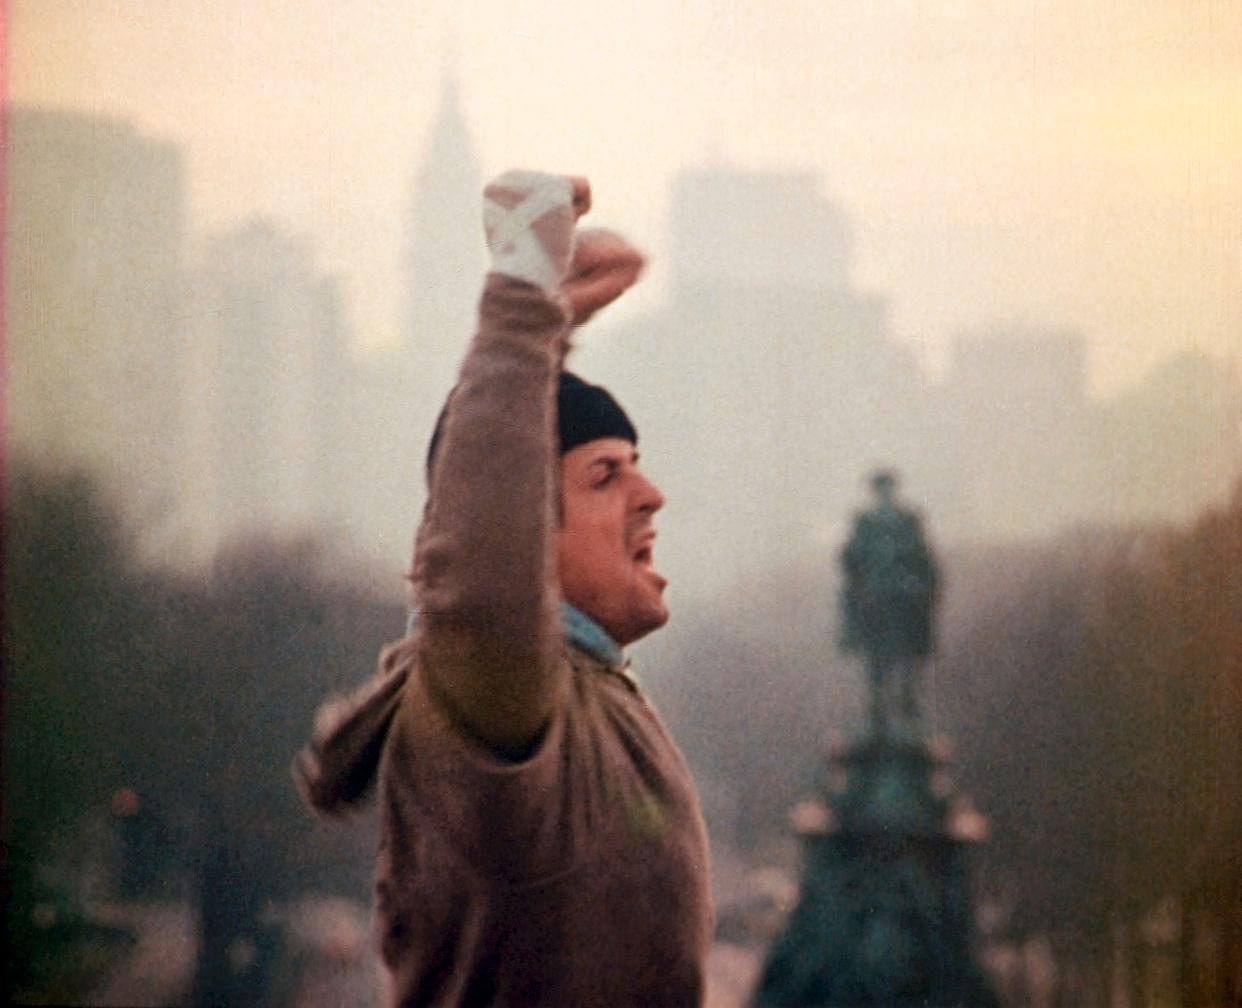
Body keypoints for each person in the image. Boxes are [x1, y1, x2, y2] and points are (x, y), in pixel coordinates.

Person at [295, 171, 713, 1006]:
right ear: (526, 537)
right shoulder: (503, 704)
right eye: (606, 475)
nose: (651, 494)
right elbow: (483, 549)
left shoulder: (574, 696)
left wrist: (549, 335)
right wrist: (522, 300)